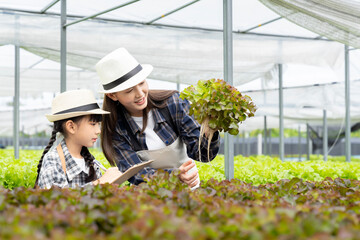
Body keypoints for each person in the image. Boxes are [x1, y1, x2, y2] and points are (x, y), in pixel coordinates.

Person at [96, 48, 220, 188]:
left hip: (189, 188)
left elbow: (203, 155)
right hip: (149, 196)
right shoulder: (116, 127)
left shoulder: (173, 102)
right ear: (112, 95)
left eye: (142, 83)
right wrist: (173, 176)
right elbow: (134, 173)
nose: (140, 94)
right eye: (129, 90)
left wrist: (210, 132)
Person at [34, 89, 118, 189]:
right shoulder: (53, 160)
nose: (98, 130)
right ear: (71, 127)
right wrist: (101, 182)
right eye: (93, 124)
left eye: (99, 124)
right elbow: (54, 200)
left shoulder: (92, 162)